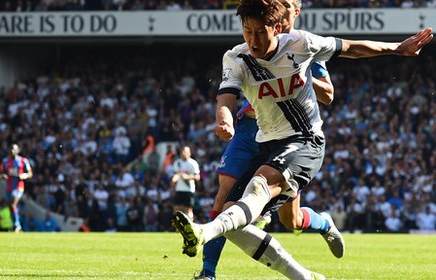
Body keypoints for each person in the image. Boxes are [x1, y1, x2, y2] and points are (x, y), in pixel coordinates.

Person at [173, 0, 433, 279]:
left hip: (304, 139)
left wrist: (396, 48)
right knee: (230, 214)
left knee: (270, 199)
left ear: (277, 27)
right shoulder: (236, 58)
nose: (253, 39)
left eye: (259, 32)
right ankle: (302, 277)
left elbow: (350, 49)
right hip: (262, 139)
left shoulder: (301, 43)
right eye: (247, 31)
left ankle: (204, 231)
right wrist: (223, 118)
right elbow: (226, 98)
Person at [197, 0, 342, 278]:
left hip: (290, 136)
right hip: (250, 132)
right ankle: (208, 272)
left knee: (292, 221)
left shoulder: (306, 47)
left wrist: (299, 75)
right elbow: (229, 90)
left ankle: (324, 224)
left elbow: (329, 95)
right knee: (224, 197)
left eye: (287, 3)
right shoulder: (253, 42)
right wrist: (224, 117)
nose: (281, 5)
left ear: (295, 11)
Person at [0, 143, 33, 232]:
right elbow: (0, 173)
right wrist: (3, 176)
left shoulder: (23, 160)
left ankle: (17, 225)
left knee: (13, 203)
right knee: (11, 206)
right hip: (9, 187)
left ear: (18, 150)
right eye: (11, 149)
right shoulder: (5, 161)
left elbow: (30, 173)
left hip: (19, 186)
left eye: (14, 149)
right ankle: (17, 226)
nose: (12, 151)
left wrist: (24, 176)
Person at [170, 146, 200, 220]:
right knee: (176, 208)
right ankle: (178, 227)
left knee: (188, 209)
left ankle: (190, 225)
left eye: (185, 152)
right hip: (179, 189)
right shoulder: (177, 163)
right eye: (182, 152)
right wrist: (173, 183)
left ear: (189, 153)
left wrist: (187, 177)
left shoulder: (193, 163)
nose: (183, 153)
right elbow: (175, 175)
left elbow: (197, 177)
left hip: (189, 190)